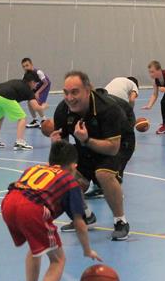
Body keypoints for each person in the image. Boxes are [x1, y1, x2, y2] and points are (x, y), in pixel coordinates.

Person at [1, 141, 101, 281]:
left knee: (35, 247)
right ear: (74, 166)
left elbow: (15, 186)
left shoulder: (34, 168)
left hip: (8, 203)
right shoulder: (70, 181)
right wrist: (87, 250)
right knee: (58, 260)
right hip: (31, 209)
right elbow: (79, 223)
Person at [52, 71, 131, 241]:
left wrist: (86, 140)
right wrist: (57, 143)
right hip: (86, 142)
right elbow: (63, 151)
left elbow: (112, 148)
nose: (69, 97)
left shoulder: (108, 109)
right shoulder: (62, 111)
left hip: (119, 143)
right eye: (66, 92)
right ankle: (86, 216)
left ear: (88, 90)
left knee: (103, 173)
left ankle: (121, 221)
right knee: (66, 176)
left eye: (75, 92)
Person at [0, 71, 44, 150]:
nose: (36, 86)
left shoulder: (17, 82)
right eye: (36, 83)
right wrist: (44, 106)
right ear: (32, 82)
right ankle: (19, 142)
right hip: (4, 96)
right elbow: (36, 107)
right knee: (22, 117)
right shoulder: (28, 90)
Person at [21, 58, 51, 128]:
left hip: (44, 87)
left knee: (37, 103)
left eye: (27, 65)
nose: (25, 68)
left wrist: (37, 92)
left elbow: (46, 83)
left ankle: (44, 120)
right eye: (23, 66)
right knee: (30, 102)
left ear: (31, 65)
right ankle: (35, 121)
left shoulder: (38, 72)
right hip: (34, 88)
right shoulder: (25, 76)